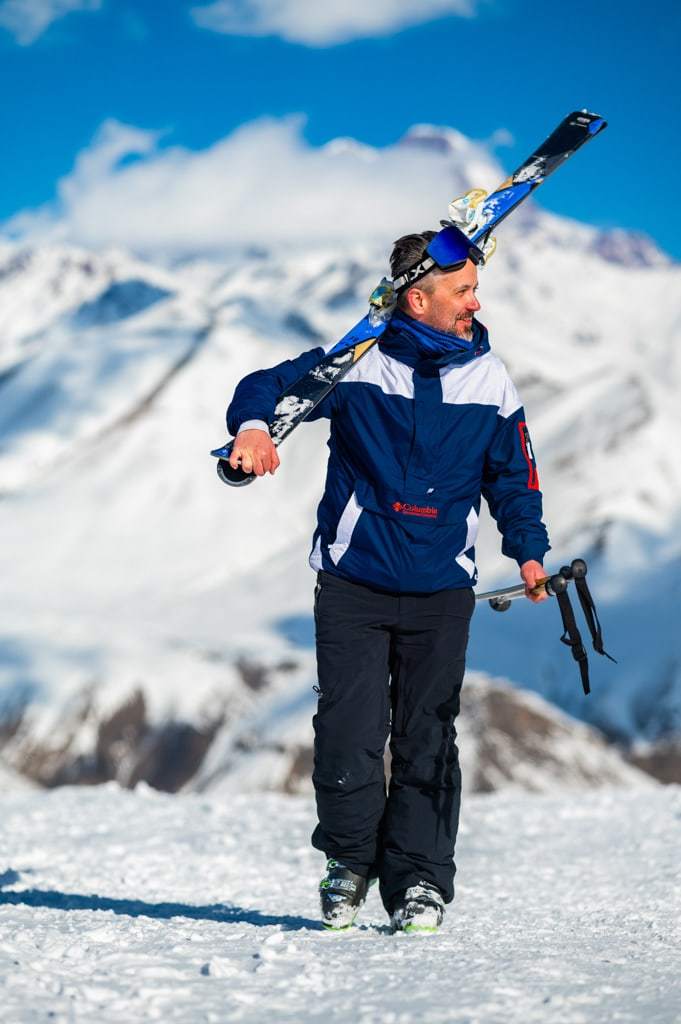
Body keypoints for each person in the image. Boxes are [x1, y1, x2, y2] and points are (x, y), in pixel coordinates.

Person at [225, 224, 550, 934]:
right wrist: (253, 428)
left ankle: (420, 882)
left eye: (473, 289)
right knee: (348, 732)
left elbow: (512, 476)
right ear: (417, 301)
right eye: (461, 291)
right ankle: (346, 865)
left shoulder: (489, 378)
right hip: (354, 583)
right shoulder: (356, 364)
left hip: (441, 588)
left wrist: (527, 549)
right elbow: (266, 386)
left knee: (427, 736)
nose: (474, 302)